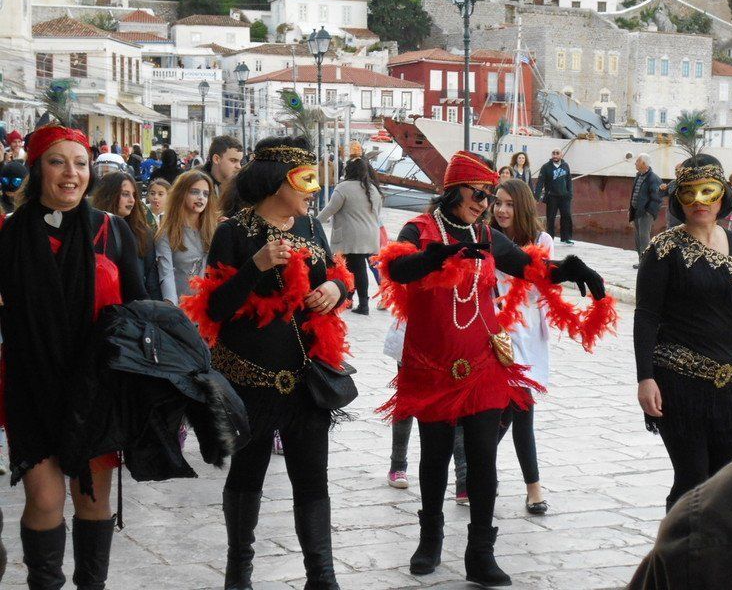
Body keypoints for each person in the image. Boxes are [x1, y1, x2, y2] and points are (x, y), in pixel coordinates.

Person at [374, 150, 615, 586]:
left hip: (483, 362)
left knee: (483, 456)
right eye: (478, 194)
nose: (484, 203)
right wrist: (438, 256)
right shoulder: (419, 229)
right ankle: (430, 540)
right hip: (432, 364)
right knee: (435, 455)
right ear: (453, 190)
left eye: (488, 196)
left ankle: (480, 553)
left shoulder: (485, 234)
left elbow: (529, 267)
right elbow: (396, 268)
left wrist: (570, 269)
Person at [182, 136, 355, 589]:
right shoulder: (234, 232)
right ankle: (238, 571)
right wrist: (254, 266)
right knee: (247, 476)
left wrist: (336, 289)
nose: (313, 190)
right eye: (305, 180)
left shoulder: (311, 226)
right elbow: (214, 308)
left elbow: (339, 276)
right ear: (279, 182)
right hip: (248, 383)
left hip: (305, 380)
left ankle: (322, 576)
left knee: (312, 479)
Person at [0, 124, 146, 588]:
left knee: (92, 500)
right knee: (44, 500)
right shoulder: (8, 234)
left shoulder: (112, 231)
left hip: (97, 388)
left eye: (80, 163)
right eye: (57, 162)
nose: (71, 173)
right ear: (36, 168)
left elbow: (139, 309)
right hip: (32, 384)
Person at [634, 153, 732, 514]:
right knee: (692, 481)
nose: (699, 201)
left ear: (722, 194)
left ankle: (716, 549)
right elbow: (646, 316)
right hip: (678, 381)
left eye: (707, 191)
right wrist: (645, 379)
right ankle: (677, 546)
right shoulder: (663, 248)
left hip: (731, 382)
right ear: (678, 199)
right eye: (689, 193)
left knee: (728, 482)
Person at [628, 420, 732, 589]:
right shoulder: (697, 526)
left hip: (729, 406)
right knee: (692, 476)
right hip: (681, 410)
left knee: (729, 467)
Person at [491, 178, 553, 514]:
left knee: (517, 407)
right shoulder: (486, 237)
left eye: (510, 204)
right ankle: (530, 487)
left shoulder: (542, 241)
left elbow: (541, 286)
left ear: (523, 207)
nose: (501, 210)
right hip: (494, 332)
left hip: (526, 333)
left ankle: (478, 467)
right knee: (506, 408)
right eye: (498, 202)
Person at [318, 157, 382, 315]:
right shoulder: (373, 189)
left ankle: (363, 305)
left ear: (348, 170)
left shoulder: (344, 187)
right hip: (371, 235)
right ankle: (349, 299)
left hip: (352, 236)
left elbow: (330, 209)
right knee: (355, 269)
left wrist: (314, 222)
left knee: (355, 269)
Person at [93, 172, 162, 300]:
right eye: (125, 194)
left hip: (134, 307)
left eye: (134, 195)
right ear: (109, 195)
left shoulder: (143, 233)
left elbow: (151, 281)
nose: (132, 200)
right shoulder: (91, 229)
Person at [155, 169, 217, 305]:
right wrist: (172, 309)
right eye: (194, 192)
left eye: (205, 194)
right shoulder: (167, 233)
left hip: (210, 307)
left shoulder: (214, 230)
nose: (201, 197)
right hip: (179, 308)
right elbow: (166, 275)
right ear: (181, 194)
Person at [629, 153, 663, 267]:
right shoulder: (638, 176)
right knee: (638, 238)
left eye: (637, 161)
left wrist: (649, 212)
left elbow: (657, 198)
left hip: (645, 213)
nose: (635, 163)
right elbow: (635, 194)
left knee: (644, 238)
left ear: (643, 163)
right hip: (636, 211)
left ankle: (646, 263)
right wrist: (631, 210)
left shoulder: (653, 178)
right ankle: (641, 261)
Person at [534, 148, 573, 245]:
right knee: (550, 218)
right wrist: (536, 197)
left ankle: (566, 238)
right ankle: (550, 238)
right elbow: (540, 183)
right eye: (553, 153)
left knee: (566, 216)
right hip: (551, 196)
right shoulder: (546, 167)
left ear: (561, 155)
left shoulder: (565, 166)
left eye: (557, 153)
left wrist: (570, 194)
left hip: (564, 196)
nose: (555, 155)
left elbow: (569, 180)